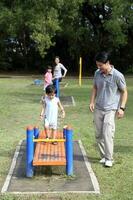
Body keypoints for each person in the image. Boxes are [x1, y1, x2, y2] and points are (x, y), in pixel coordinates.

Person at [89, 51, 128, 167]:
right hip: (98, 108)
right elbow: (95, 88)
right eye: (97, 65)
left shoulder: (118, 75)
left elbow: (124, 91)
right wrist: (92, 101)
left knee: (107, 133)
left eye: (101, 65)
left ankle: (109, 158)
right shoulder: (97, 73)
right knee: (98, 134)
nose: (98, 67)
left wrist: (122, 108)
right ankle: (103, 156)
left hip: (111, 109)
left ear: (108, 63)